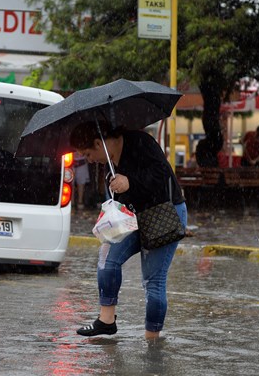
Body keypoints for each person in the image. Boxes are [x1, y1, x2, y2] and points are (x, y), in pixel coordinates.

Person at [70, 122, 187, 340]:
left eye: (88, 153)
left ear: (98, 143)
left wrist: (130, 182)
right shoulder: (109, 161)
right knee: (107, 259)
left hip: (164, 213)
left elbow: (162, 175)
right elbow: (120, 195)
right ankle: (106, 321)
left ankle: (152, 342)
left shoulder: (141, 142)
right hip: (133, 217)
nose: (89, 160)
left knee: (153, 281)